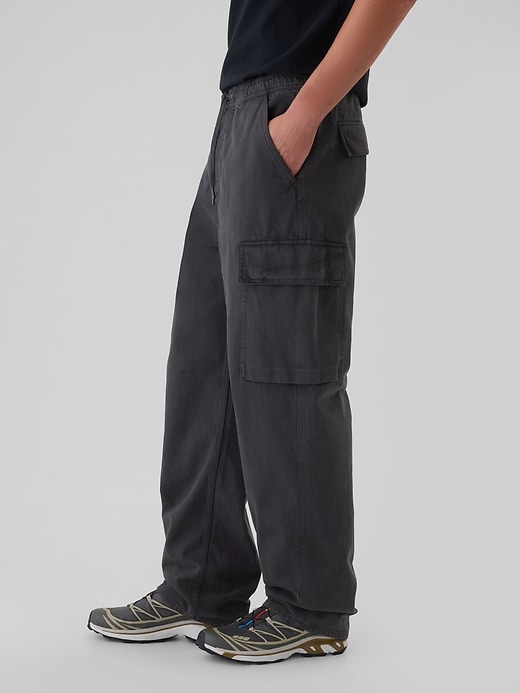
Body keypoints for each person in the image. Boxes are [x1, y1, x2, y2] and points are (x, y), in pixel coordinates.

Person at [87, 0, 417, 664]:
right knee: (203, 369)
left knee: (288, 368)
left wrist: (306, 113)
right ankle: (201, 583)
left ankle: (310, 605)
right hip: (241, 121)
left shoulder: (301, 114)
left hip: (295, 111)